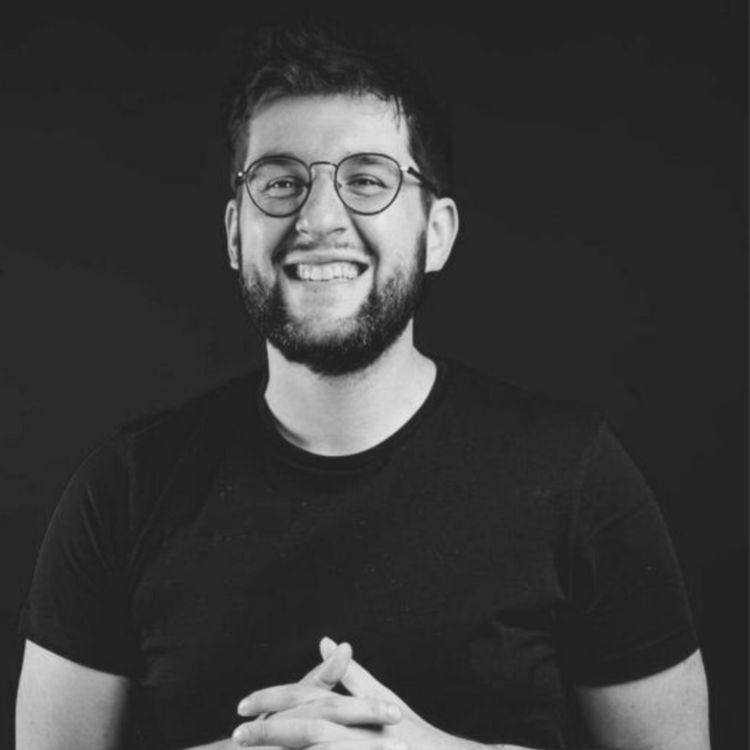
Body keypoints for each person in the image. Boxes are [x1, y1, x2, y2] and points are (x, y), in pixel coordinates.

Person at [16, 17, 710, 750]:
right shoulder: (122, 492)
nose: (319, 218)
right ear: (234, 233)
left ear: (436, 234)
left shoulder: (576, 477)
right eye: (281, 182)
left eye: (368, 180)